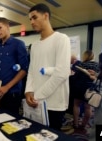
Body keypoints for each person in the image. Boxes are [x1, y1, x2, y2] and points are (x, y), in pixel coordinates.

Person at [24, 3, 71, 131]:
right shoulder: (34, 45)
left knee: (51, 135)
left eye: (34, 17)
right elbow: (32, 71)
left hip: (54, 103)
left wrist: (37, 95)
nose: (32, 22)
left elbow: (61, 73)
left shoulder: (61, 39)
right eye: (30, 19)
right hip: (35, 102)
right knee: (33, 135)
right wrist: (28, 91)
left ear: (46, 16)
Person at [0, 17, 29, 114]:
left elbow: (24, 69)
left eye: (0, 28)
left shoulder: (18, 44)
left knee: (10, 124)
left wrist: (6, 87)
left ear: (7, 27)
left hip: (12, 92)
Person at [71, 50, 99, 132]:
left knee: (76, 105)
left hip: (79, 87)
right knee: (88, 107)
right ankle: (83, 125)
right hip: (90, 88)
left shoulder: (81, 64)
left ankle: (75, 124)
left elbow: (75, 75)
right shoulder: (97, 65)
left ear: (85, 56)